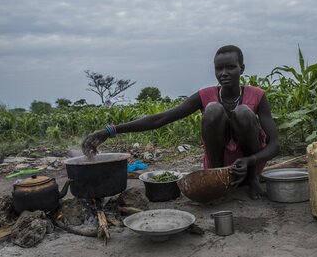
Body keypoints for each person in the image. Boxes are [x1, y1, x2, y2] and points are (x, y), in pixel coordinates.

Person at [82, 45, 280, 200]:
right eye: (219, 68)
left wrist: (249, 161)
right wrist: (110, 130)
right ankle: (217, 179)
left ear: (241, 68)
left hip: (247, 165)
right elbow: (160, 118)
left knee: (243, 112)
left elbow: (274, 144)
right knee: (213, 109)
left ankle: (253, 180)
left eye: (230, 67)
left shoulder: (257, 96)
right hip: (218, 165)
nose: (224, 73)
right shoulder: (205, 95)